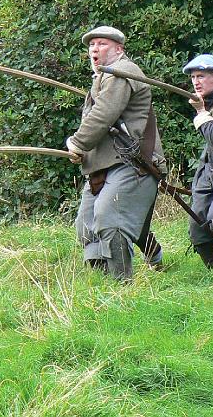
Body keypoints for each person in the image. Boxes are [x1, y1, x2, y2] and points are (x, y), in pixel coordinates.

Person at [66, 26, 166, 280]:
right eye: (92, 45)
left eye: (102, 44)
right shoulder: (101, 79)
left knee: (111, 219)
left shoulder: (123, 71)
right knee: (86, 226)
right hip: (104, 165)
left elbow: (104, 114)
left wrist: (78, 143)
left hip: (132, 162)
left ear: (119, 49)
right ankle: (105, 284)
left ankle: (122, 285)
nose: (95, 49)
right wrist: (82, 150)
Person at [183, 54, 213, 268]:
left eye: (201, 76)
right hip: (209, 171)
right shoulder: (209, 102)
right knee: (198, 222)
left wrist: (200, 112)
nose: (195, 82)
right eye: (193, 77)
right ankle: (211, 270)